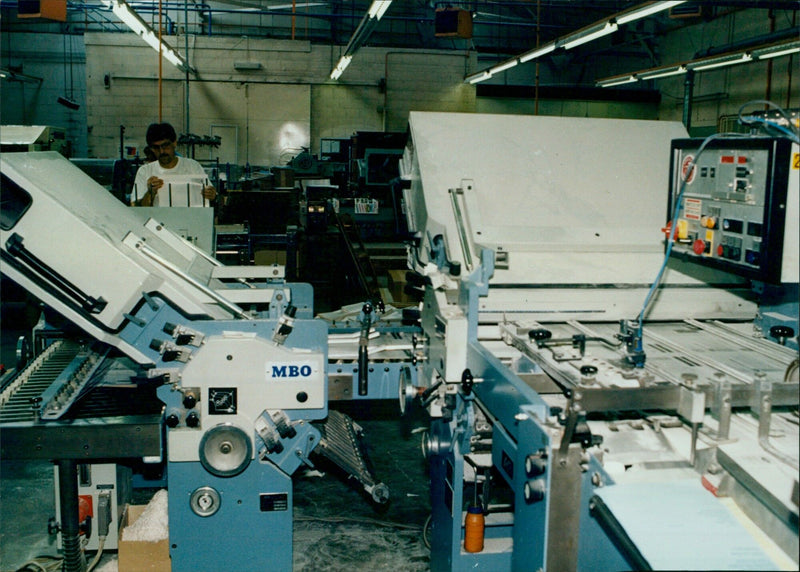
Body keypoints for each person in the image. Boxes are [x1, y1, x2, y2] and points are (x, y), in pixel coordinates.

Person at [132, 123, 216, 206]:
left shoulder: (193, 166)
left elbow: (212, 196)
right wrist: (150, 193)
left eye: (165, 145)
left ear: (175, 143)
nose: (162, 151)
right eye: (156, 147)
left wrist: (211, 194)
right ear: (151, 148)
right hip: (157, 219)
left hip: (190, 218)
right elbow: (136, 209)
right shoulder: (145, 171)